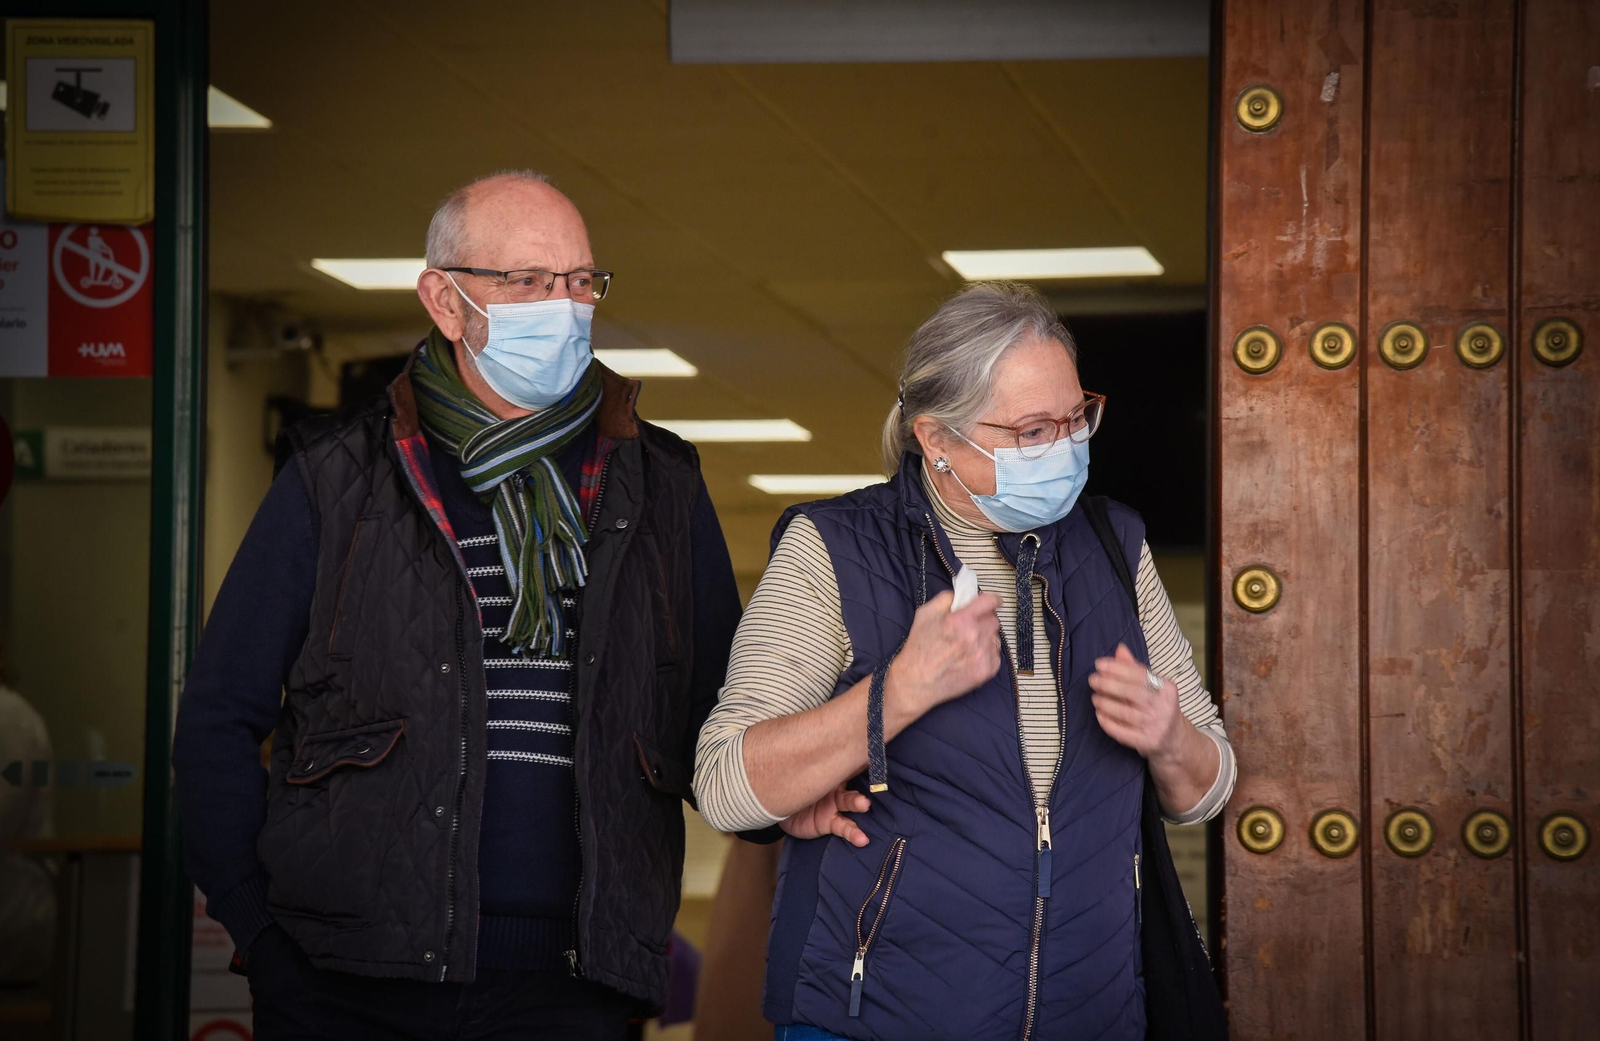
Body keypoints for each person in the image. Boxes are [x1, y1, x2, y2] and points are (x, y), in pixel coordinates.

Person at [173, 170, 741, 1041]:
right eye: (526, 282)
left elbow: (723, 720)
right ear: (445, 300)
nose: (564, 306)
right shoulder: (337, 479)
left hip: (575, 986)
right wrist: (263, 933)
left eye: (581, 280)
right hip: (348, 982)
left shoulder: (660, 483)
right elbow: (217, 718)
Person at [694, 282, 1235, 1041]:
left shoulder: (1116, 545)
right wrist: (899, 690)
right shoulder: (836, 547)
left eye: (1077, 416)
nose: (1066, 445)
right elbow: (724, 784)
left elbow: (1206, 790)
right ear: (936, 439)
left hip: (1095, 1016)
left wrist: (1170, 735)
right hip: (877, 1020)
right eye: (1031, 428)